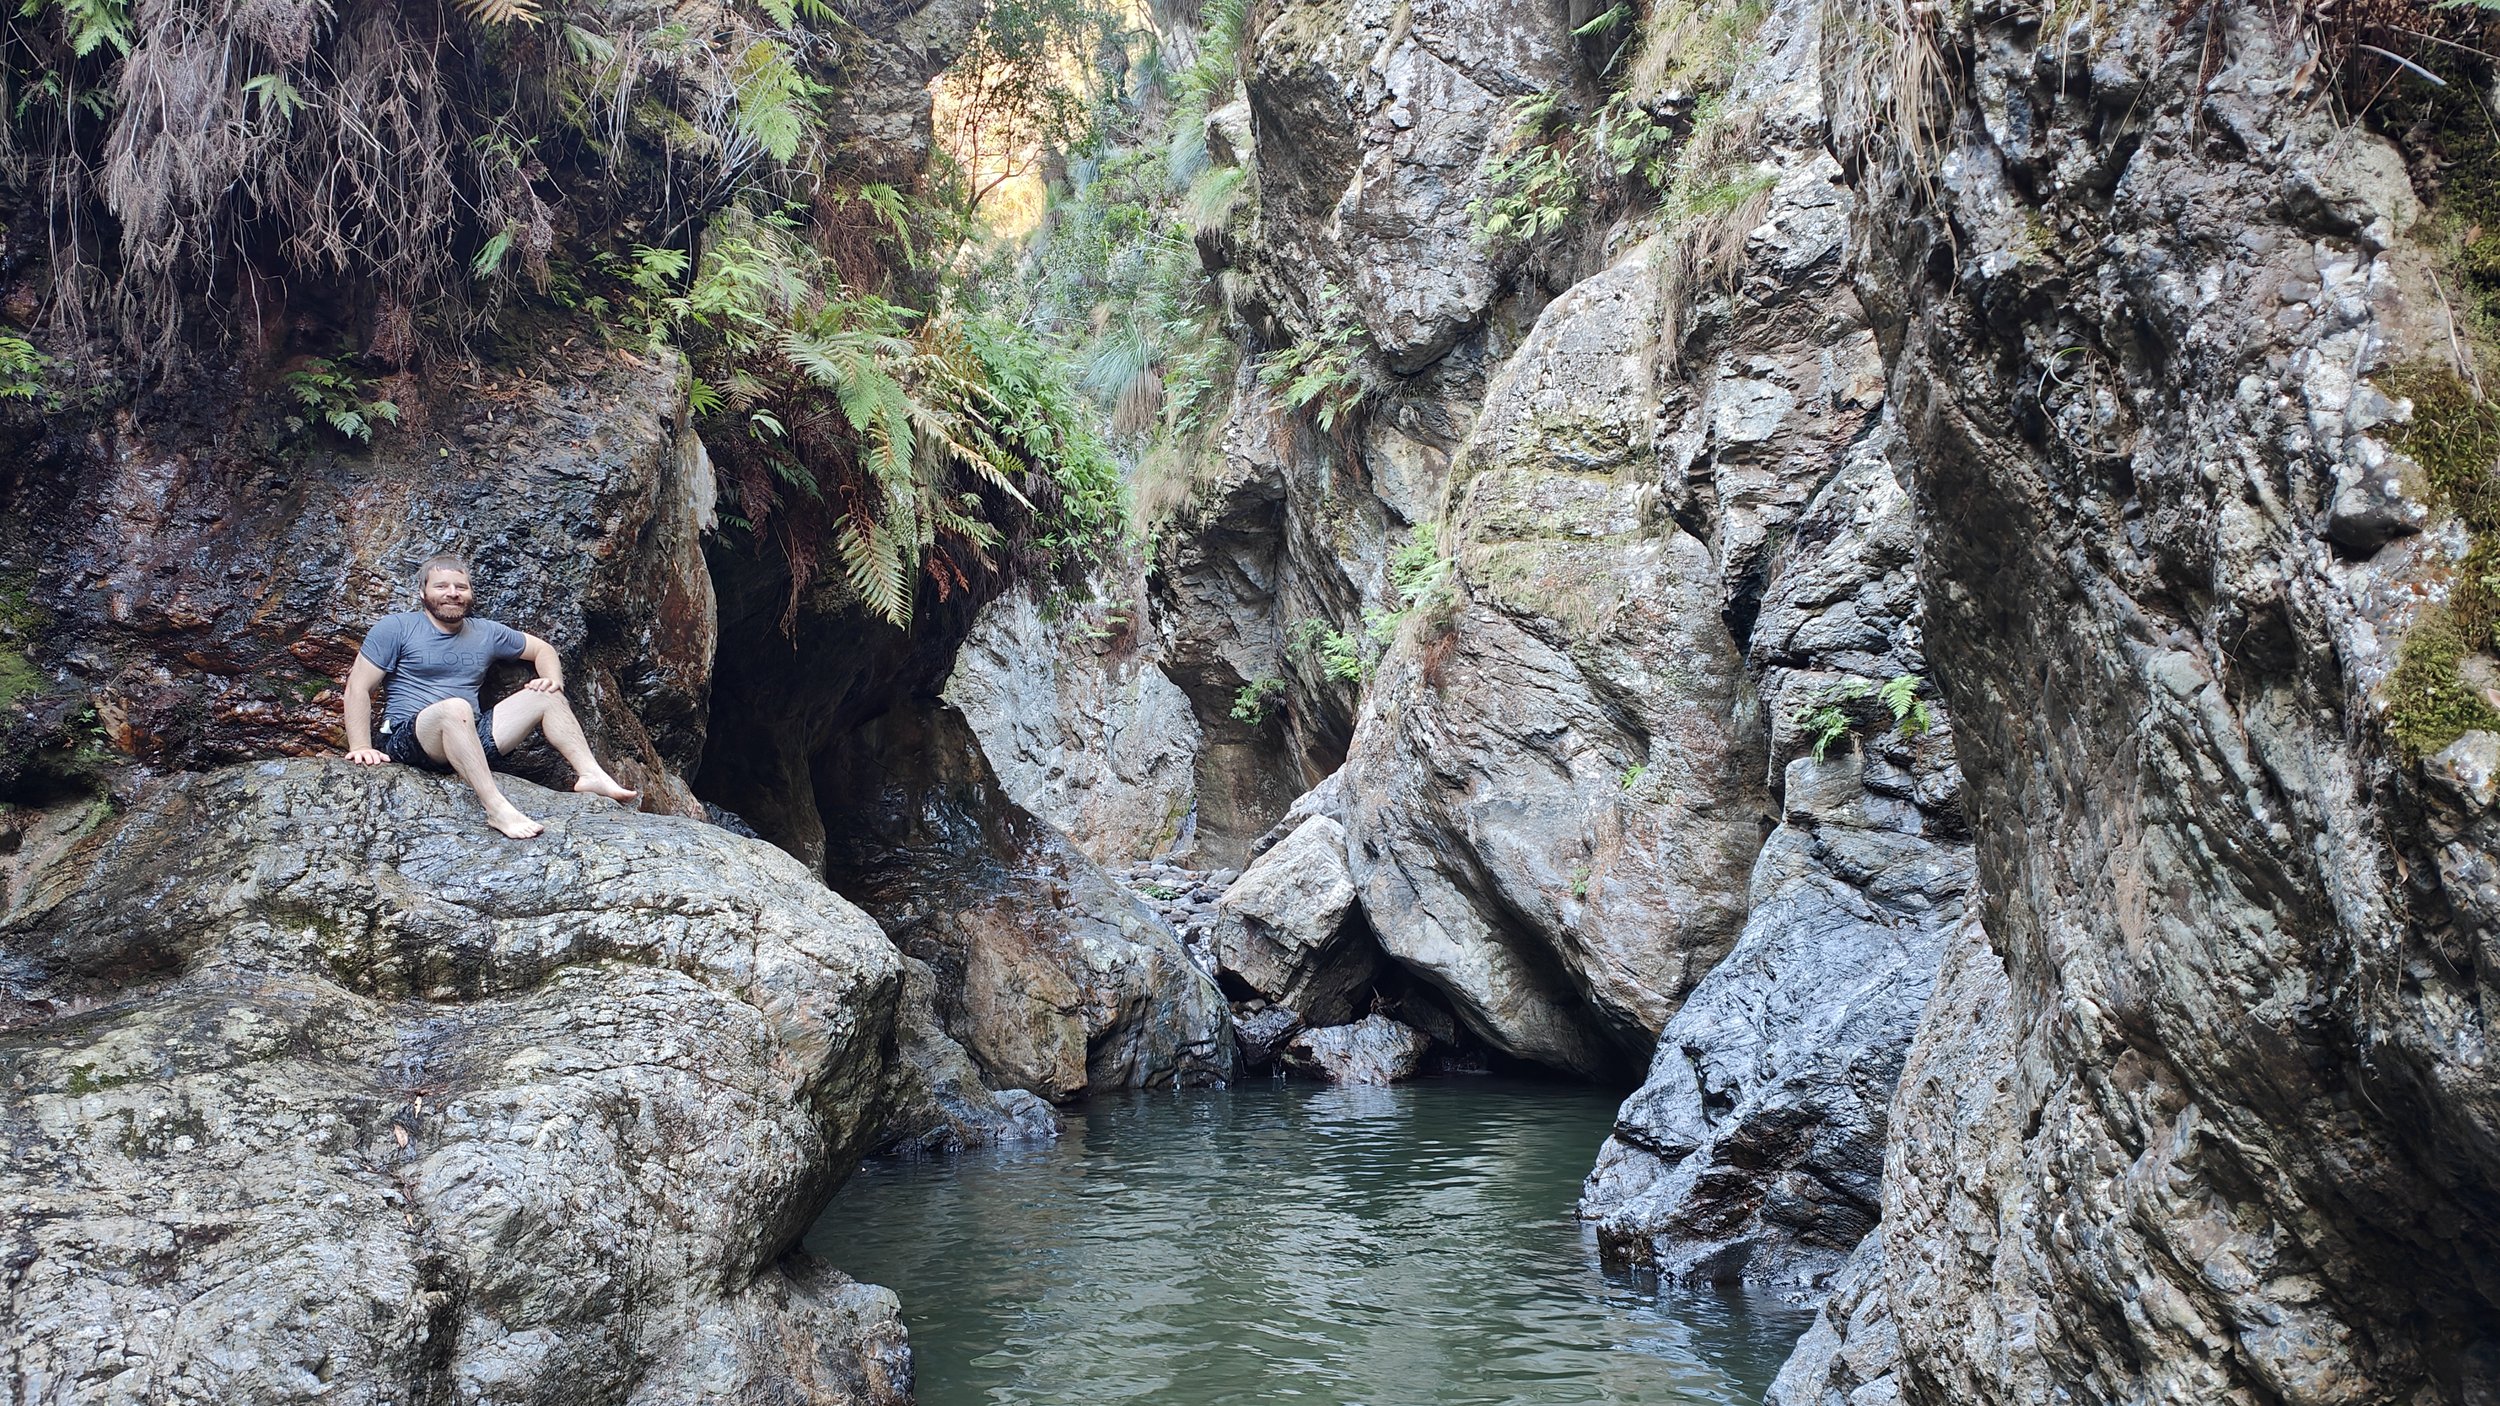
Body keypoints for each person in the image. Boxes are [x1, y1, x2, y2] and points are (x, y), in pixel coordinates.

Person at [342, 553, 639, 838]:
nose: (452, 593)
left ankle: (591, 774)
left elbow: (542, 649)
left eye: (461, 587)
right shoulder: (395, 628)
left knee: (547, 695)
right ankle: (496, 808)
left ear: (471, 594)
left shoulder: (486, 632)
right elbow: (358, 686)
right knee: (455, 708)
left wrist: (552, 679)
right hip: (411, 737)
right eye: (441, 586)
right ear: (423, 593)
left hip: (469, 738)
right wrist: (360, 746)